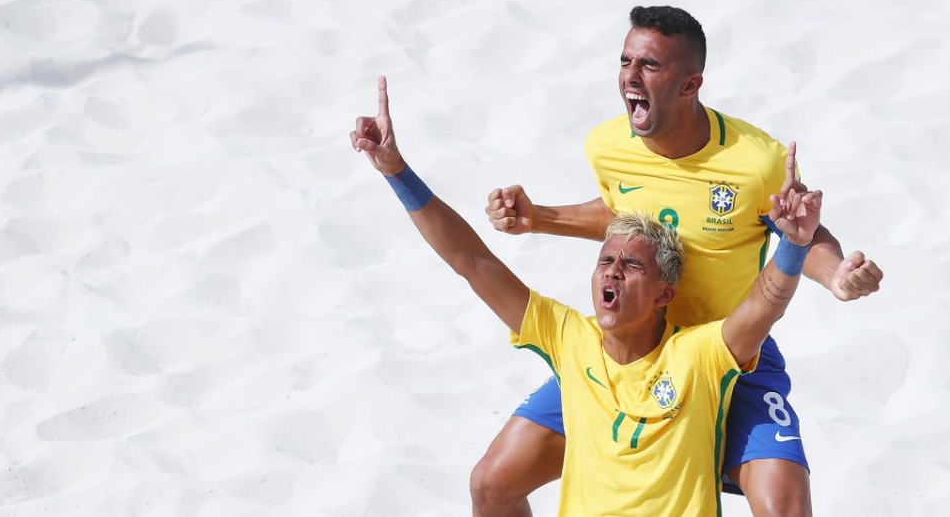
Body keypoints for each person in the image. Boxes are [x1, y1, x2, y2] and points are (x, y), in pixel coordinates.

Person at [475, 5, 883, 517]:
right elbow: (622, 216)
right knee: (491, 484)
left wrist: (837, 274)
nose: (629, 75)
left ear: (690, 83)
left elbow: (800, 230)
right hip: (634, 354)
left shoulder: (756, 161)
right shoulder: (606, 146)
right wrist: (540, 217)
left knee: (786, 508)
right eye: (625, 60)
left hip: (729, 350)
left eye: (648, 65)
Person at [351, 75, 824, 516]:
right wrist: (397, 171)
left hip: (716, 383)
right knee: (489, 482)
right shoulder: (569, 340)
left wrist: (796, 247)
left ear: (665, 293)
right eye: (605, 261)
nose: (611, 272)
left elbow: (766, 303)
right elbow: (472, 261)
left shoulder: (697, 357)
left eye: (631, 265)